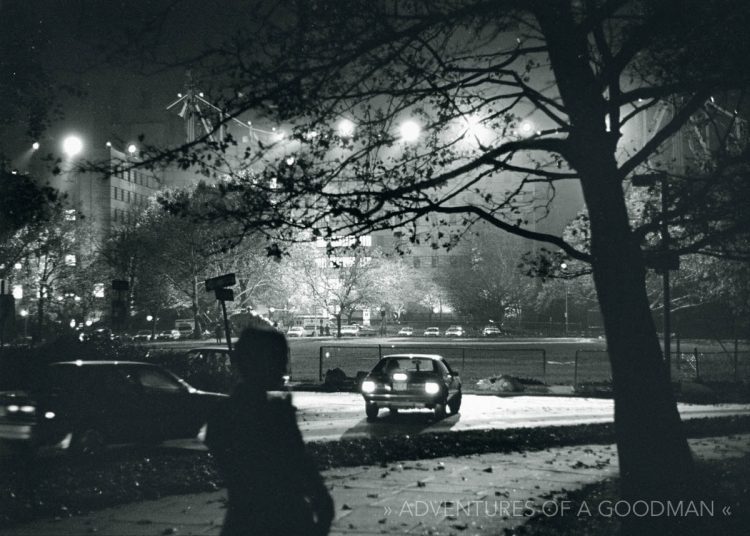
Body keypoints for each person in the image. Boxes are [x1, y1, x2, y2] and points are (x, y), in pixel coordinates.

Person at [206, 325, 334, 536]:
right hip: (286, 517)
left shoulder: (222, 413)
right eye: (280, 360)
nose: (283, 369)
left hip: (242, 518)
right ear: (264, 363)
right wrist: (321, 499)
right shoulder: (275, 413)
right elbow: (298, 461)